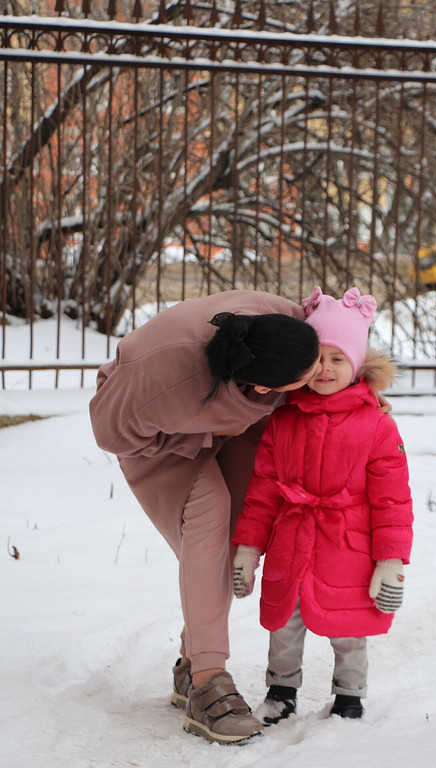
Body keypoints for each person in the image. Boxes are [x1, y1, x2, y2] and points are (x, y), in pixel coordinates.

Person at [89, 289, 322, 745]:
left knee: (240, 539)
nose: (318, 375)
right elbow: (110, 432)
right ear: (263, 389)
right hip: (157, 438)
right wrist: (194, 439)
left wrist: (359, 393)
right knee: (209, 515)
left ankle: (190, 663)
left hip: (234, 422)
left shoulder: (287, 321)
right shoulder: (165, 379)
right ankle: (207, 680)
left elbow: (335, 341)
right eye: (309, 375)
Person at [232, 286, 413, 724]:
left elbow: (393, 499)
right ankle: (280, 689)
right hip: (292, 540)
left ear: (356, 364)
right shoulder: (283, 420)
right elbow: (262, 493)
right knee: (284, 622)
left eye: (338, 358)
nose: (326, 369)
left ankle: (349, 695)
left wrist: (390, 560)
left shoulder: (377, 426)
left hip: (347, 545)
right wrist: (248, 549)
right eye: (318, 358)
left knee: (349, 625)